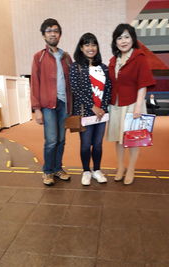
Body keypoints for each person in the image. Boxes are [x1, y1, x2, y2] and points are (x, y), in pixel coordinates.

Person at [107, 23, 155, 185]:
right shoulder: (113, 60)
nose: (123, 41)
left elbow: (143, 84)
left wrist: (138, 107)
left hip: (133, 104)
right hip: (116, 105)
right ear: (115, 42)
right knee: (117, 138)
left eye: (127, 37)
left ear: (133, 39)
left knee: (132, 139)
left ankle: (132, 168)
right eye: (119, 38)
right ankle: (120, 167)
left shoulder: (139, 57)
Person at [31, 18, 72, 186]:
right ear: (43, 35)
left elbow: (72, 82)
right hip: (48, 105)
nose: (52, 33)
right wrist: (37, 109)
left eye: (55, 30)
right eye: (49, 31)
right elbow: (34, 82)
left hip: (64, 104)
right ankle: (47, 171)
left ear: (60, 34)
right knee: (52, 140)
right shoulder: (39, 57)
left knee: (62, 140)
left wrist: (74, 106)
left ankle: (57, 168)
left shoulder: (66, 57)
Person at [70, 33, 111, 186]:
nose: (90, 48)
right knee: (86, 144)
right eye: (87, 45)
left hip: (102, 113)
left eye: (93, 44)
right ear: (81, 48)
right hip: (85, 113)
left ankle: (97, 170)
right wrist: (92, 107)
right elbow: (75, 90)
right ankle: (86, 171)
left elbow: (108, 90)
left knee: (98, 144)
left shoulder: (104, 68)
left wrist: (102, 108)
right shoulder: (76, 66)